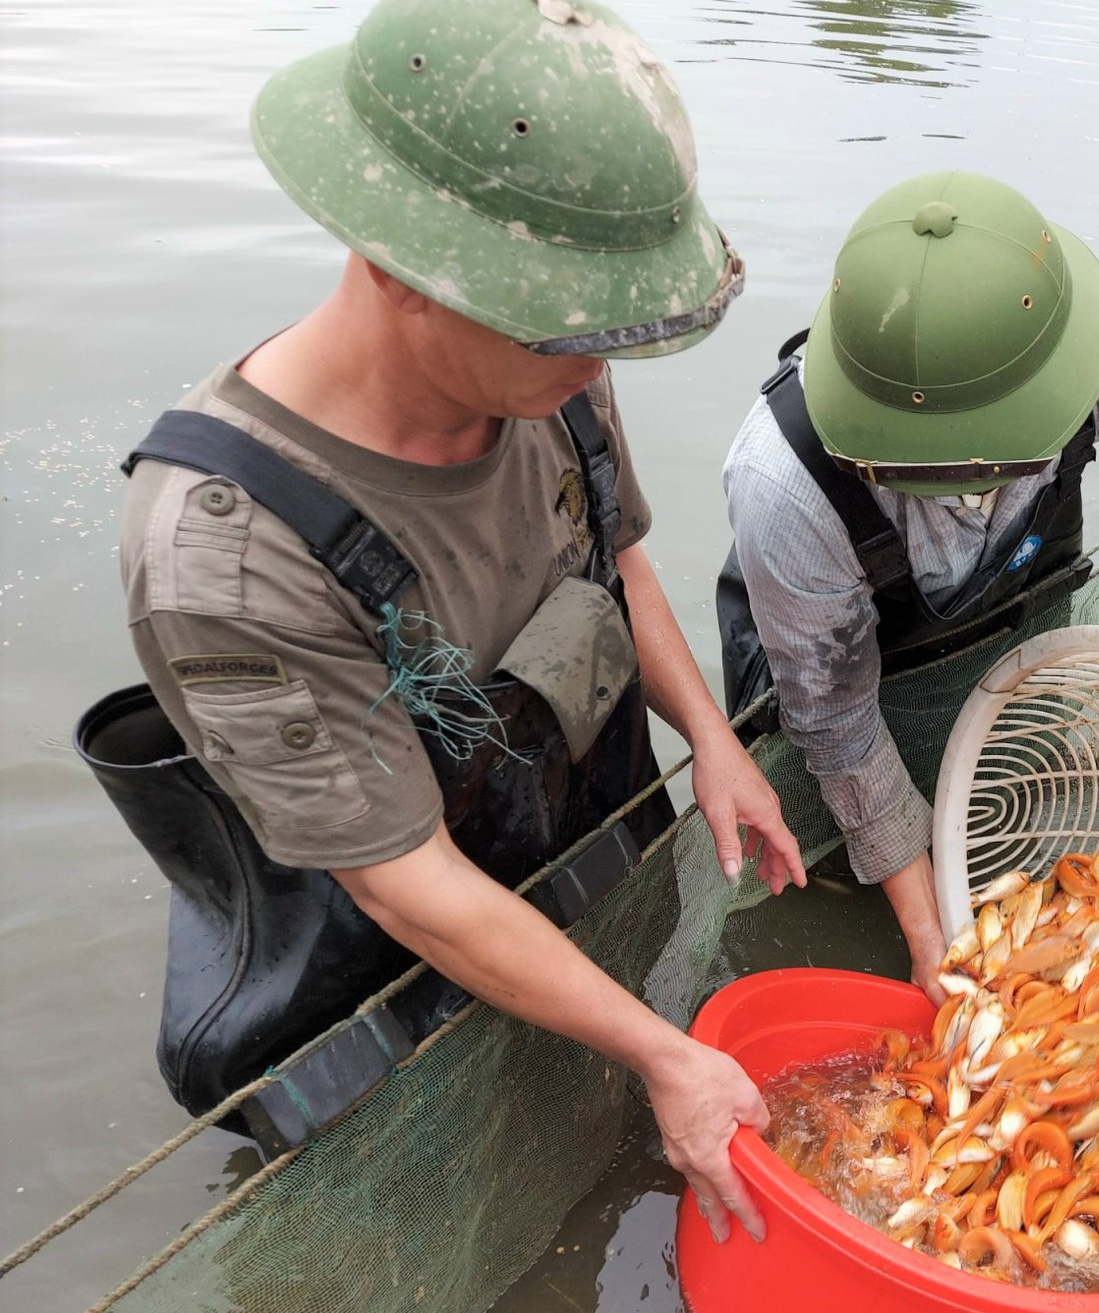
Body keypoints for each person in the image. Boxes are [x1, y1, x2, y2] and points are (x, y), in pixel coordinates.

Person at [77, 0, 794, 1245]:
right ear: (406, 274)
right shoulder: (224, 554)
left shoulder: (555, 366)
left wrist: (713, 742)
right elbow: (403, 884)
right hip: (393, 942)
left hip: (569, 834)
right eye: (568, 326)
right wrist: (660, 1055)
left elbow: (614, 552)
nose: (598, 361)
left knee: (621, 1088)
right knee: (430, 1231)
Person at [717, 171, 1099, 1001]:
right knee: (836, 866)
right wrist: (926, 928)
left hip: (1021, 626)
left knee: (1030, 804)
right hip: (837, 676)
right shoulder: (781, 481)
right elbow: (836, 725)